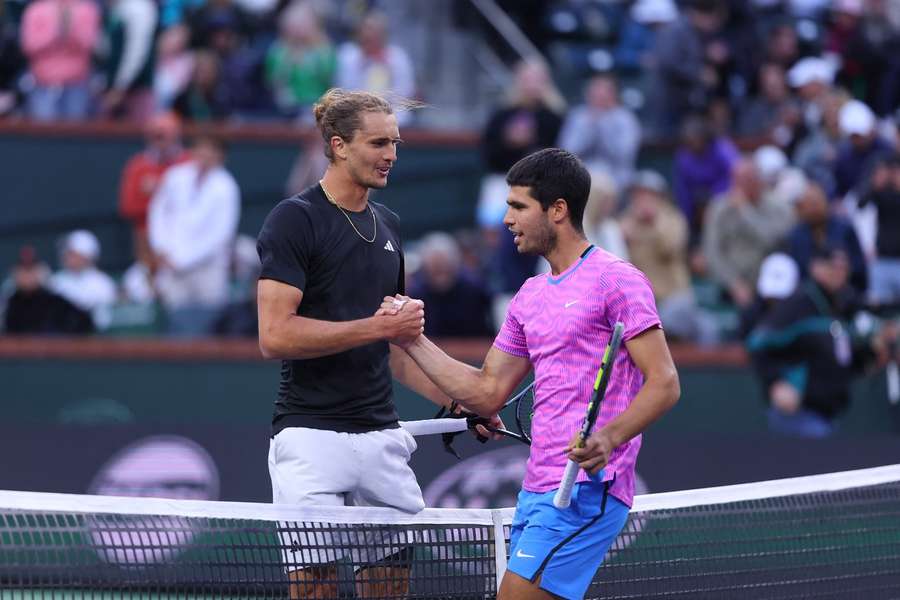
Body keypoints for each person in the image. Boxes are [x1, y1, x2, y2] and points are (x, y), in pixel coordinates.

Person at [383, 148, 680, 600]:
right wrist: (411, 338)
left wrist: (609, 437)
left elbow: (664, 382)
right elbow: (486, 392)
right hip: (537, 491)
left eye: (518, 206)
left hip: (585, 491)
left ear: (557, 210)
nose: (506, 219)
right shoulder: (529, 295)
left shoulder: (617, 280)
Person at [256, 88, 453, 599]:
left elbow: (396, 348)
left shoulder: (389, 226)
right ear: (339, 146)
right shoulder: (294, 219)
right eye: (379, 143)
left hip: (381, 439)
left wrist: (456, 401)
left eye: (396, 143)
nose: (391, 154)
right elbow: (275, 335)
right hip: (310, 437)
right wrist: (376, 327)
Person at [148, 133, 240, 335]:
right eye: (200, 148)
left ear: (221, 155)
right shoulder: (174, 176)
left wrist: (182, 260)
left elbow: (221, 234)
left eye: (211, 149)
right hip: (171, 265)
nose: (205, 154)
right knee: (174, 324)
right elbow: (158, 214)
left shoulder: (226, 187)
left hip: (207, 269)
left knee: (209, 326)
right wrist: (161, 249)